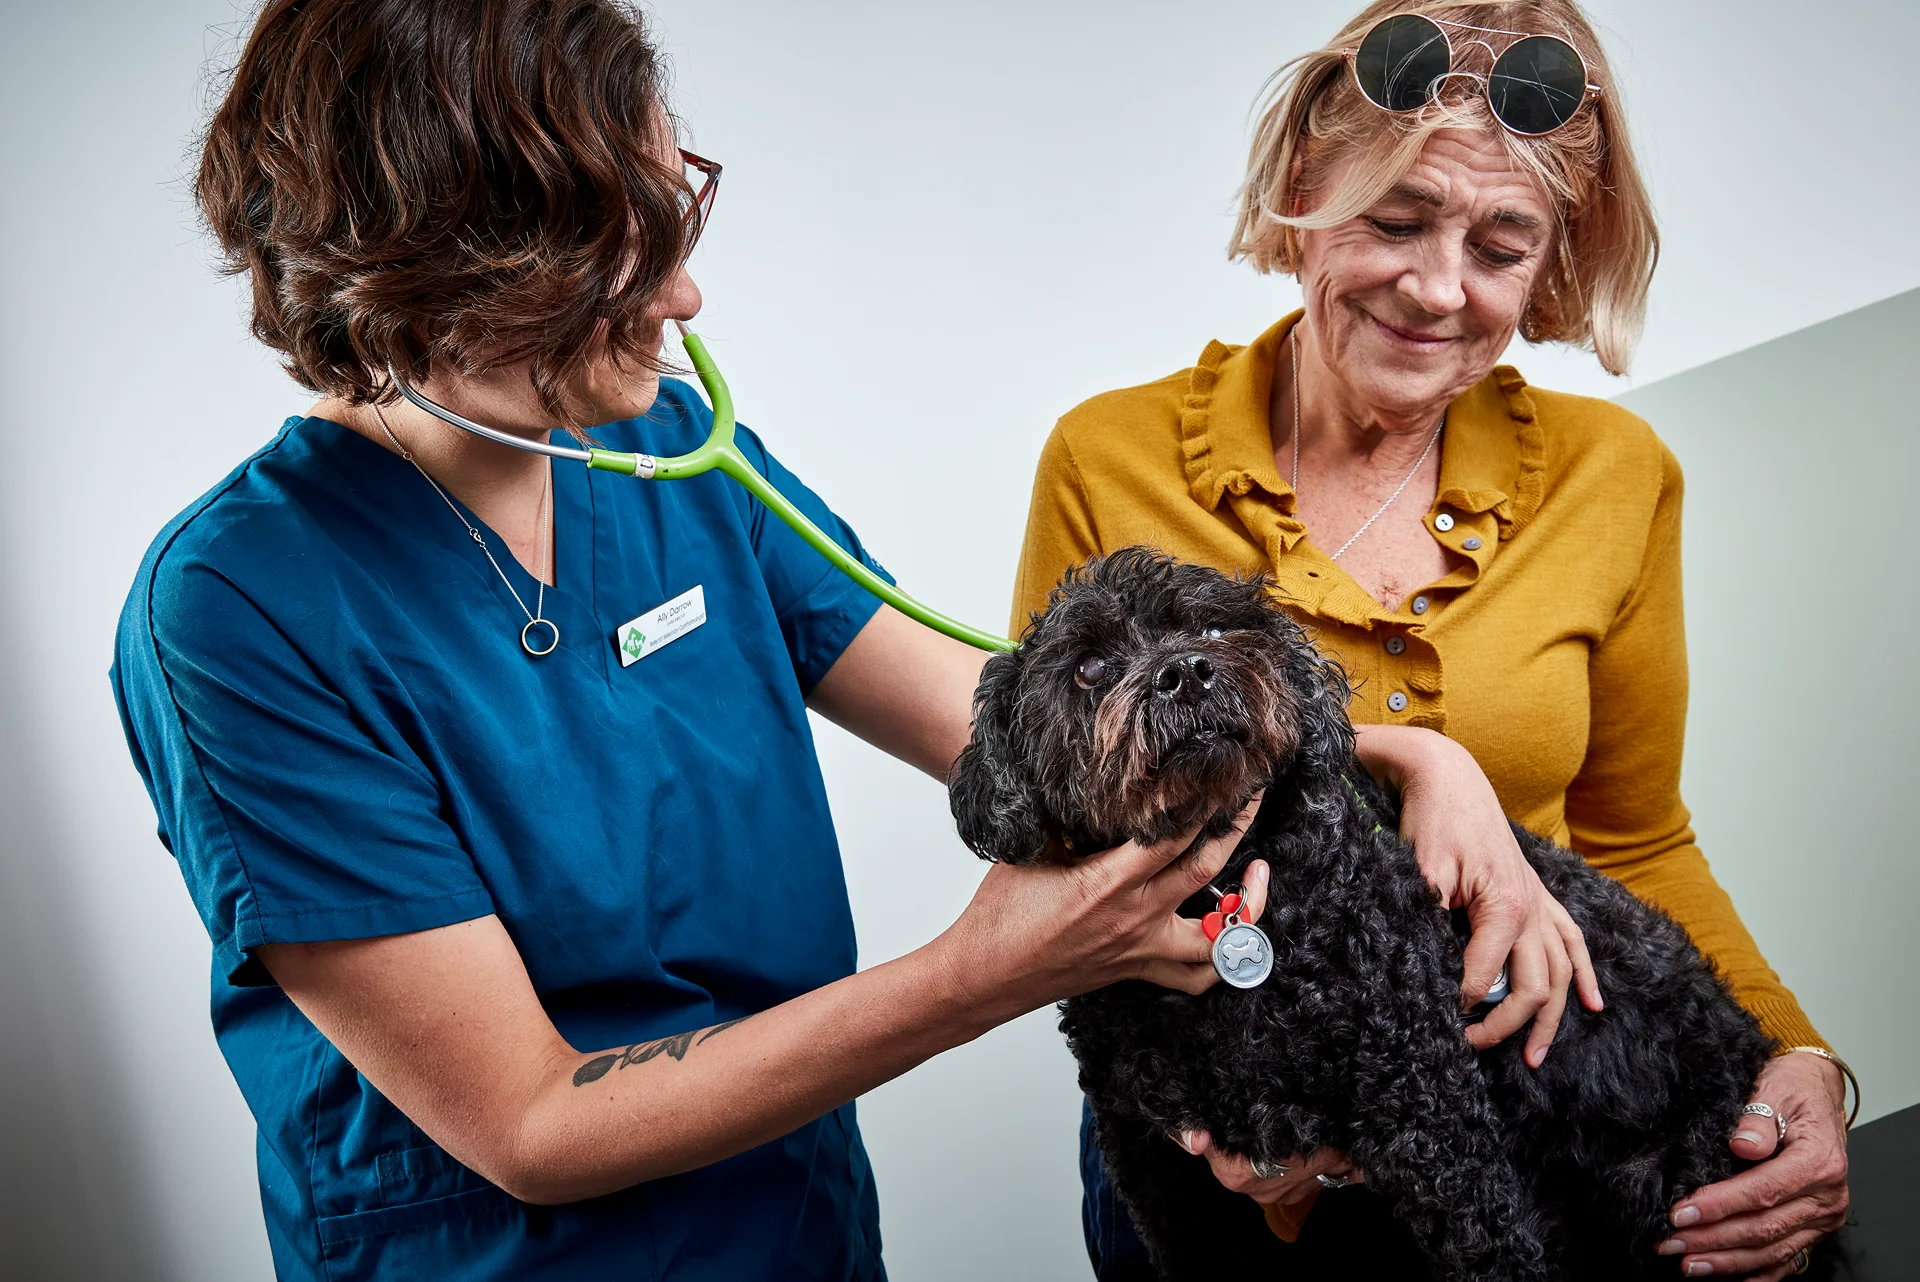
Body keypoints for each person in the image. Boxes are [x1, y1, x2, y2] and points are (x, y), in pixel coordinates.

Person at [112, 1, 1596, 1278]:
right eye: (619, 256)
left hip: (797, 1223)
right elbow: (533, 1122)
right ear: (457, 267)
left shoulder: (676, 456)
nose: (686, 295)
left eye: (670, 218)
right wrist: (979, 973)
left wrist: (1413, 760)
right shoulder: (240, 611)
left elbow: (1030, 744)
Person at [1012, 3, 1854, 1279]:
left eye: (1502, 246)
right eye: (1394, 221)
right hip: (1220, 1143)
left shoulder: (1614, 475)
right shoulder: (1109, 460)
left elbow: (1638, 836)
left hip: (1538, 1117)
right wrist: (1416, 760)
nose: (1439, 287)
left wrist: (1797, 1060)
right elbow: (1065, 828)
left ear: (1552, 261)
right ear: (1304, 190)